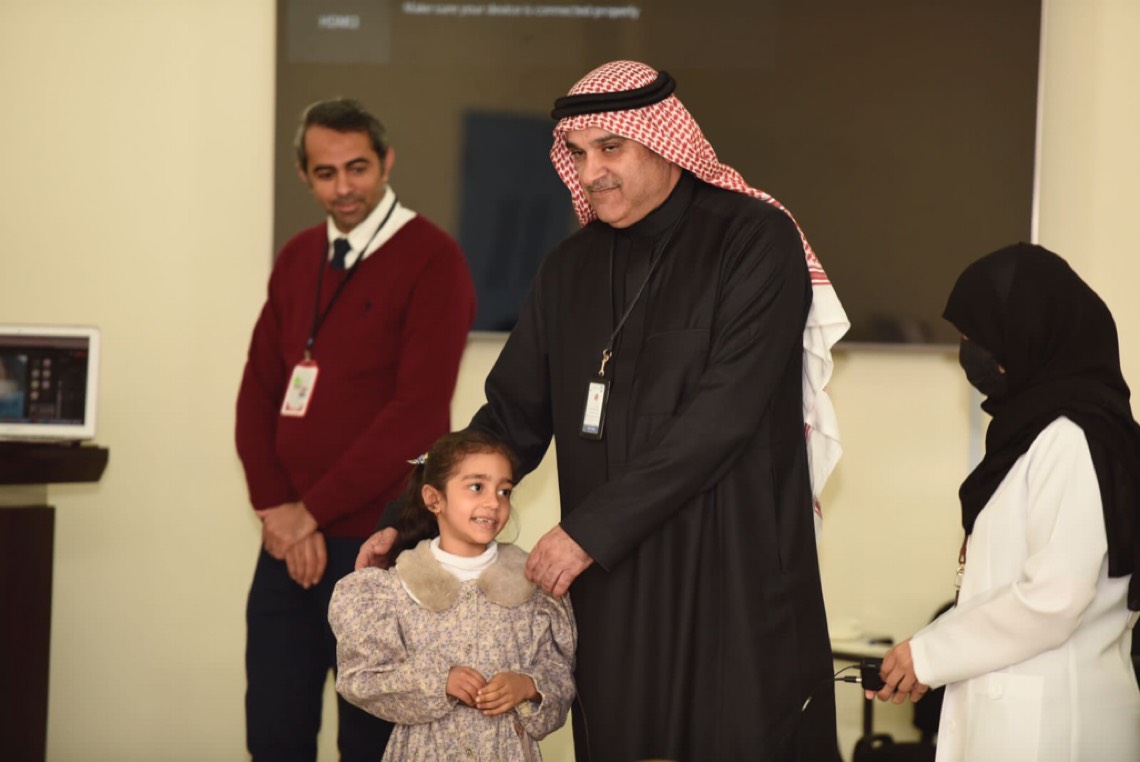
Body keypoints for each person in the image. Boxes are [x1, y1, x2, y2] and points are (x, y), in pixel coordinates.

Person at [358, 60, 851, 760]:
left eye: (610, 148)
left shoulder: (752, 238)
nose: (591, 173)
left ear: (664, 141)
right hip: (615, 587)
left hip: (728, 571)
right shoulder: (572, 268)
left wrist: (587, 532)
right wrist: (408, 518)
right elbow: (509, 419)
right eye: (577, 153)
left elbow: (723, 416)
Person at [235, 98, 476, 761]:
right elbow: (257, 393)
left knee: (373, 742)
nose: (344, 187)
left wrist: (308, 512)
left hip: (379, 541)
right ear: (304, 175)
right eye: (326, 172)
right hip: (287, 543)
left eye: (358, 168)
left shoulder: (434, 258)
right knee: (274, 733)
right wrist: (280, 513)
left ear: (386, 161)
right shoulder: (298, 257)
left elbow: (418, 416)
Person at [868, 243, 1140, 761]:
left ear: (1030, 334)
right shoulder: (1033, 439)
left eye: (978, 337)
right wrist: (928, 655)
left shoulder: (1073, 439)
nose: (969, 352)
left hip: (1056, 727)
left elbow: (1055, 597)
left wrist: (929, 654)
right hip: (1019, 718)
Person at [329, 430, 577, 760]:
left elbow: (560, 675)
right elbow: (363, 680)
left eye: (504, 491)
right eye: (477, 487)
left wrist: (529, 686)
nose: (494, 502)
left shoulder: (534, 588)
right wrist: (439, 681)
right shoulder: (393, 590)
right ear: (434, 499)